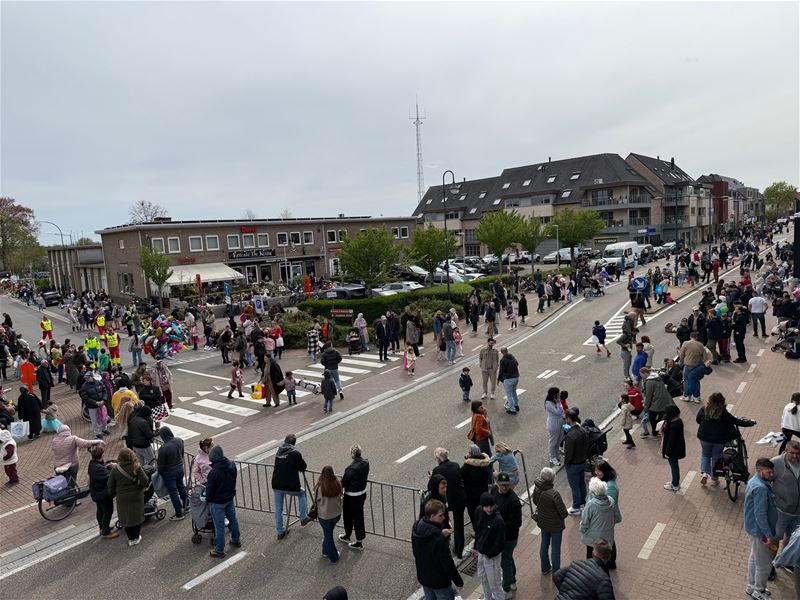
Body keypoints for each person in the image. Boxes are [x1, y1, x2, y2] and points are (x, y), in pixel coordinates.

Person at [696, 391, 755, 486]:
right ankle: (714, 478)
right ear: (722, 401)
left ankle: (704, 474)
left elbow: (698, 420)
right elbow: (736, 421)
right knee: (716, 457)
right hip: (719, 440)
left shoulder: (704, 409)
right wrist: (750, 423)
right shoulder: (723, 413)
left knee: (705, 455)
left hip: (704, 438)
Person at [412, 499, 464, 600]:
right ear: (432, 516)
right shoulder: (439, 541)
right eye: (440, 515)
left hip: (424, 578)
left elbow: (417, 551)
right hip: (440, 583)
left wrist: (440, 533)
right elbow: (448, 564)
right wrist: (459, 582)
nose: (443, 518)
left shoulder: (416, 527)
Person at [744, 458, 778, 600]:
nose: (772, 474)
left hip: (753, 529)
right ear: (760, 471)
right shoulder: (761, 488)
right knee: (764, 564)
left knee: (754, 558)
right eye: (769, 472)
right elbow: (760, 514)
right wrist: (768, 535)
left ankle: (751, 586)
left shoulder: (754, 481)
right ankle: (759, 590)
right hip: (760, 532)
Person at [107, 448, 149, 546]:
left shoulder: (115, 469)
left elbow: (109, 484)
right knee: (136, 517)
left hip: (122, 497)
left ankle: (130, 539)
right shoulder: (136, 467)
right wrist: (139, 485)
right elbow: (145, 481)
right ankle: (136, 537)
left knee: (126, 518)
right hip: (136, 496)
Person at [206, 444, 242, 558]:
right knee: (233, 520)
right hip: (229, 498)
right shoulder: (232, 465)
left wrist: (208, 500)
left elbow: (209, 491)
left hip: (217, 502)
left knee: (219, 527)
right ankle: (236, 539)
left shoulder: (214, 473)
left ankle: (219, 550)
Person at [432, 447, 467, 560]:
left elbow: (432, 485)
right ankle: (459, 550)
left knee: (444, 523)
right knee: (459, 524)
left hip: (445, 501)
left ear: (438, 459)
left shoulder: (437, 470)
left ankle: (444, 549)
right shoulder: (456, 465)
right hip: (458, 498)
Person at [272, 434, 309, 540]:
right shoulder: (295, 453)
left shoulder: (278, 452)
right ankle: (303, 517)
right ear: (294, 443)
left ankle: (280, 531)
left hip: (276, 484)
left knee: (278, 508)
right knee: (302, 493)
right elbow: (303, 466)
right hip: (290, 485)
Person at [533, 466, 568, 574]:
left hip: (543, 522)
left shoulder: (536, 488)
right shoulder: (554, 494)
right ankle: (556, 572)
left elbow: (535, 502)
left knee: (544, 544)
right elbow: (564, 513)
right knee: (555, 548)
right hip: (556, 526)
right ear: (552, 479)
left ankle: (545, 568)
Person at [491, 472, 522, 596]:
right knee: (508, 559)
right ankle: (512, 581)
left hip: (509, 537)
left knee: (504, 561)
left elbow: (517, 522)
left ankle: (506, 588)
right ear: (497, 484)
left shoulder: (513, 500)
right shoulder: (494, 490)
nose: (505, 487)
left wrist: (499, 525)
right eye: (502, 485)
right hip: (499, 535)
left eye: (507, 485)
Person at [473, 492, 505, 600]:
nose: (489, 509)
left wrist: (490, 554)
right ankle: (487, 597)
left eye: (491, 506)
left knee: (495, 584)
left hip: (492, 556)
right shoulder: (479, 511)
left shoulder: (498, 521)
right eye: (486, 506)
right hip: (482, 553)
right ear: (482, 506)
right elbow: (478, 531)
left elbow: (500, 543)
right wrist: (476, 547)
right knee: (483, 577)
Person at [580, 478, 618, 566]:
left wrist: (583, 530)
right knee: (605, 556)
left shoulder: (591, 505)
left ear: (593, 492)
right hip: (607, 535)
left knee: (590, 555)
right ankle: (609, 565)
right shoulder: (611, 501)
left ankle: (591, 569)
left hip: (593, 537)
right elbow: (614, 516)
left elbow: (585, 521)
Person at [339, 443, 369, 550]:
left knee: (348, 517)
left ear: (352, 454)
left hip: (351, 496)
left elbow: (343, 482)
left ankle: (347, 535)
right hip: (362, 494)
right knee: (359, 517)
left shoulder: (350, 469)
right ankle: (359, 541)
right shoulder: (366, 463)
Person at [592, 461, 621, 568]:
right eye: (595, 470)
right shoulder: (603, 481)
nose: (596, 473)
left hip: (608, 517)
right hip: (605, 516)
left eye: (599, 471)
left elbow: (609, 504)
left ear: (605, 471)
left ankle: (611, 561)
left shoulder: (611, 486)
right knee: (607, 538)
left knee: (608, 539)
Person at [772, 441, 800, 552]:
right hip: (781, 512)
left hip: (798, 514)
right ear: (785, 451)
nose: (795, 456)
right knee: (775, 537)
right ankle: (772, 559)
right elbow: (764, 482)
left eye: (797, 453)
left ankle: (783, 558)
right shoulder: (776, 463)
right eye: (792, 453)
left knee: (791, 538)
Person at [157, 426, 188, 520]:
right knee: (181, 487)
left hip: (169, 472)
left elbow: (161, 465)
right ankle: (187, 505)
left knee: (173, 493)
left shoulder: (163, 448)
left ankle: (179, 513)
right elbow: (182, 453)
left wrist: (160, 472)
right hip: (179, 467)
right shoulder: (179, 440)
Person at [314, 465, 343, 564]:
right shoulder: (337, 484)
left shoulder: (319, 487)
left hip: (324, 516)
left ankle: (333, 557)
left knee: (328, 535)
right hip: (336, 514)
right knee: (328, 534)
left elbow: (316, 500)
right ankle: (325, 551)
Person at [88, 445, 118, 539]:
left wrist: (106, 466)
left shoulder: (92, 464)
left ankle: (102, 527)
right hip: (103, 493)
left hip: (96, 492)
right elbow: (109, 476)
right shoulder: (99, 468)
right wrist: (113, 467)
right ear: (101, 455)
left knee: (100, 510)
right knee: (108, 511)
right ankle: (105, 532)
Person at [563, 409, 590, 514]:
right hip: (582, 461)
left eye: (565, 418)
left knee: (574, 487)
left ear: (569, 419)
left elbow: (568, 454)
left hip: (573, 464)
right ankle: (583, 503)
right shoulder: (582, 430)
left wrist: (566, 463)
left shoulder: (570, 436)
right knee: (581, 483)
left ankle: (576, 507)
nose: (565, 419)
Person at [461, 445, 492, 530]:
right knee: (485, 513)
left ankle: (478, 532)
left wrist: (466, 459)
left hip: (472, 496)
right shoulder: (485, 463)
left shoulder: (468, 466)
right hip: (483, 492)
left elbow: (461, 474)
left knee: (474, 515)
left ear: (471, 454)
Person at [661, 404, 686, 492]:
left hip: (673, 451)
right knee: (675, 466)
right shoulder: (678, 421)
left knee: (674, 467)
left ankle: (675, 484)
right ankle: (674, 482)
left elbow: (671, 441)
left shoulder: (673, 426)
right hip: (678, 448)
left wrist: (667, 453)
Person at [545, 387, 565, 466]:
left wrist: (558, 403)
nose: (559, 395)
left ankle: (556, 454)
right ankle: (552, 457)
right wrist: (558, 403)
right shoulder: (548, 403)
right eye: (558, 393)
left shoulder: (557, 401)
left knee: (560, 439)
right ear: (554, 395)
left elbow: (562, 411)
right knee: (553, 441)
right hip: (553, 423)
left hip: (560, 421)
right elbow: (557, 412)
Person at [497, 347, 520, 415]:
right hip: (516, 377)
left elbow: (501, 371)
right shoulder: (512, 357)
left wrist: (498, 379)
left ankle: (512, 409)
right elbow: (517, 363)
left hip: (508, 379)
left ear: (501, 352)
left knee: (509, 394)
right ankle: (516, 405)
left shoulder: (503, 360)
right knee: (514, 391)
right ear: (507, 350)